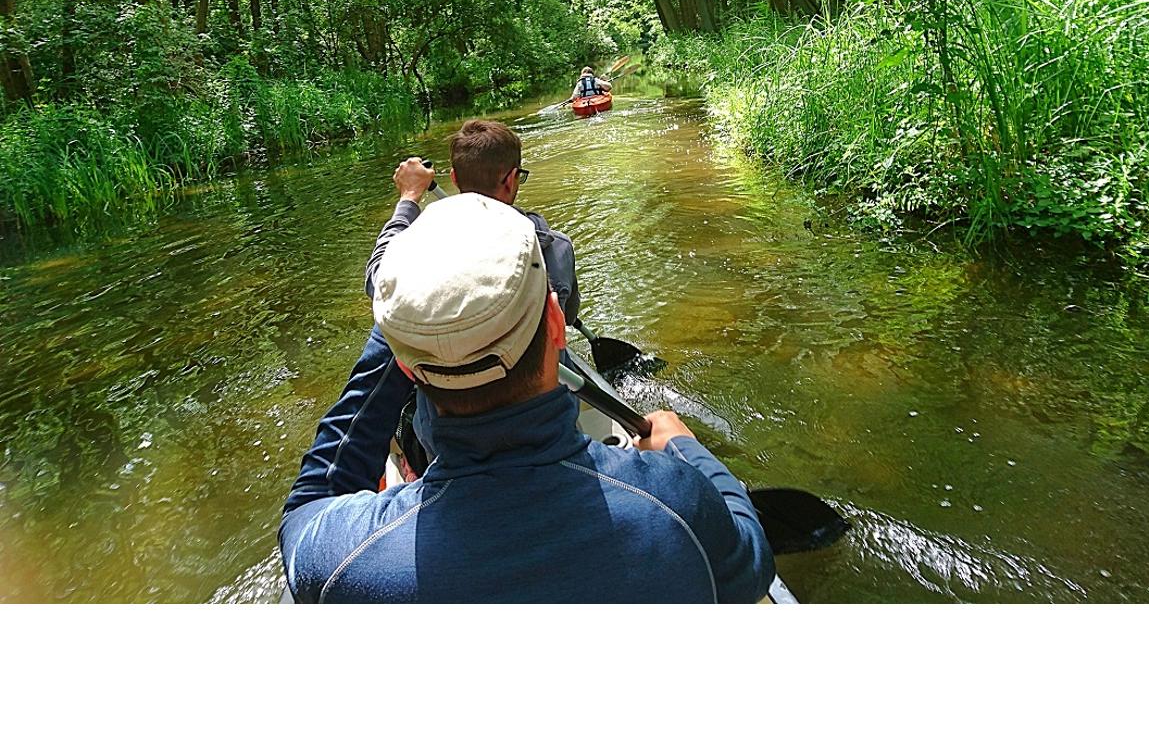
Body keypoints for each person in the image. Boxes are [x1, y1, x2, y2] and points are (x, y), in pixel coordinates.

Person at [279, 193, 776, 603]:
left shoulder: (337, 559)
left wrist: (397, 337)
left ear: (406, 367)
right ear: (557, 324)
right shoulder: (677, 501)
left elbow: (307, 507)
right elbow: (751, 562)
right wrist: (686, 450)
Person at [357, 119, 582, 472]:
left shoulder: (421, 256)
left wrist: (409, 198)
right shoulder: (554, 248)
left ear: (455, 179)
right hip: (546, 426)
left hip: (446, 441)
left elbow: (377, 279)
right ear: (511, 180)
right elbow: (564, 321)